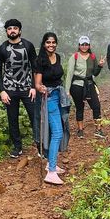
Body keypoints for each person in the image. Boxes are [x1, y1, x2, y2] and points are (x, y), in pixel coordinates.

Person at [0, 18, 37, 158]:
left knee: (34, 117)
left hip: (27, 89)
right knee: (12, 119)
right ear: (6, 31)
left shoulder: (28, 46)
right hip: (9, 90)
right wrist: (2, 90)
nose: (12, 30)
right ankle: (17, 147)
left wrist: (33, 87)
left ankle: (40, 145)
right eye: (9, 28)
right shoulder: (2, 49)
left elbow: (34, 67)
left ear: (19, 30)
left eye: (15, 28)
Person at [35, 32, 70, 185]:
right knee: (57, 132)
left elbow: (58, 77)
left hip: (59, 95)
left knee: (60, 128)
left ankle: (52, 162)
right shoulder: (40, 60)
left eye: (53, 42)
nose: (51, 45)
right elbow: (37, 84)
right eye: (48, 42)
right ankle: (51, 172)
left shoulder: (58, 57)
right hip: (48, 98)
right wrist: (40, 88)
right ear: (44, 44)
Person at [65, 35, 105, 139]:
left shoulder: (92, 57)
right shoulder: (74, 57)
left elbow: (95, 73)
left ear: (89, 45)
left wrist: (100, 65)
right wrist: (67, 90)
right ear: (79, 45)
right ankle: (80, 130)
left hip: (90, 84)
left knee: (96, 106)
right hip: (77, 85)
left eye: (86, 44)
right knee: (79, 107)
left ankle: (98, 129)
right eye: (82, 44)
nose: (84, 46)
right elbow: (69, 74)